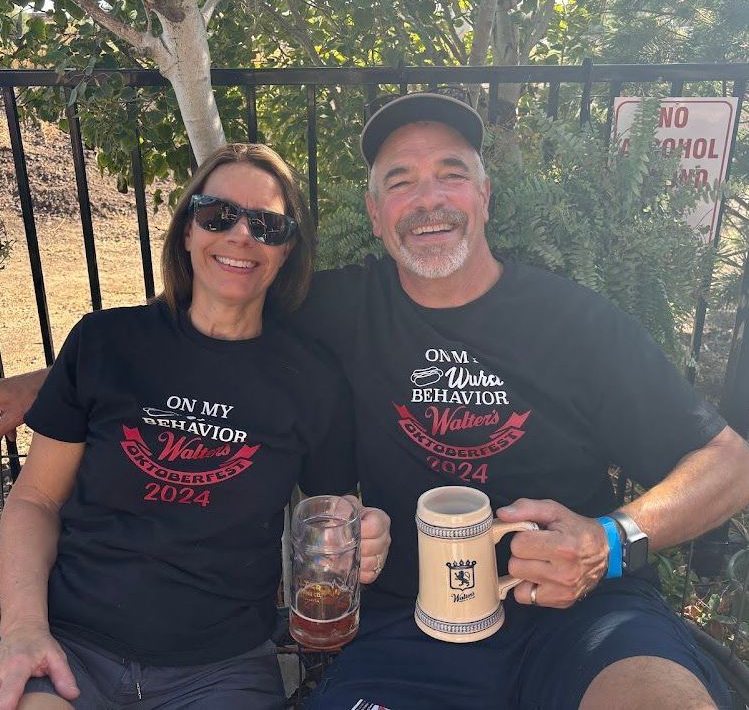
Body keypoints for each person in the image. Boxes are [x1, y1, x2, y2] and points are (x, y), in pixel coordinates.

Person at [3, 95, 749, 709]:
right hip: (409, 629)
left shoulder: (576, 322)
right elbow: (192, 338)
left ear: (484, 196)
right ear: (374, 211)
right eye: (400, 181)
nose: (428, 198)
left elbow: (729, 462)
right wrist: (48, 383)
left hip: (585, 617)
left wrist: (610, 542)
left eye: (451, 174)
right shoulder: (333, 309)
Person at [0, 143, 390, 710]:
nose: (241, 235)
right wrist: (23, 629)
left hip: (221, 670)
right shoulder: (106, 342)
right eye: (218, 215)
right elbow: (35, 498)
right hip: (71, 645)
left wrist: (364, 530)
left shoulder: (310, 378)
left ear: (287, 250)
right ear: (187, 230)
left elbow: (333, 511)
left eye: (267, 225)